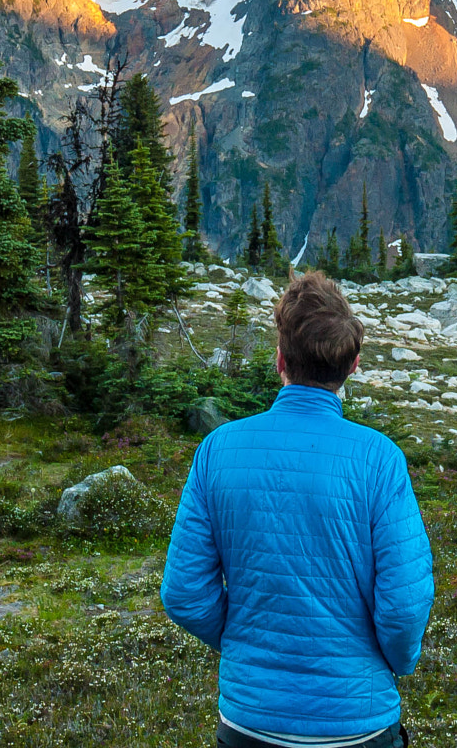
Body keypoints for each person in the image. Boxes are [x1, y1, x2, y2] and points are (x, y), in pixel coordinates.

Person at [162, 272, 434, 748]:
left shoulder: (217, 450)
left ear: (281, 360)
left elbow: (184, 592)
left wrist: (246, 647)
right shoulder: (379, 459)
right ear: (352, 365)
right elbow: (405, 606)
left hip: (249, 722)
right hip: (358, 723)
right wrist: (396, 664)